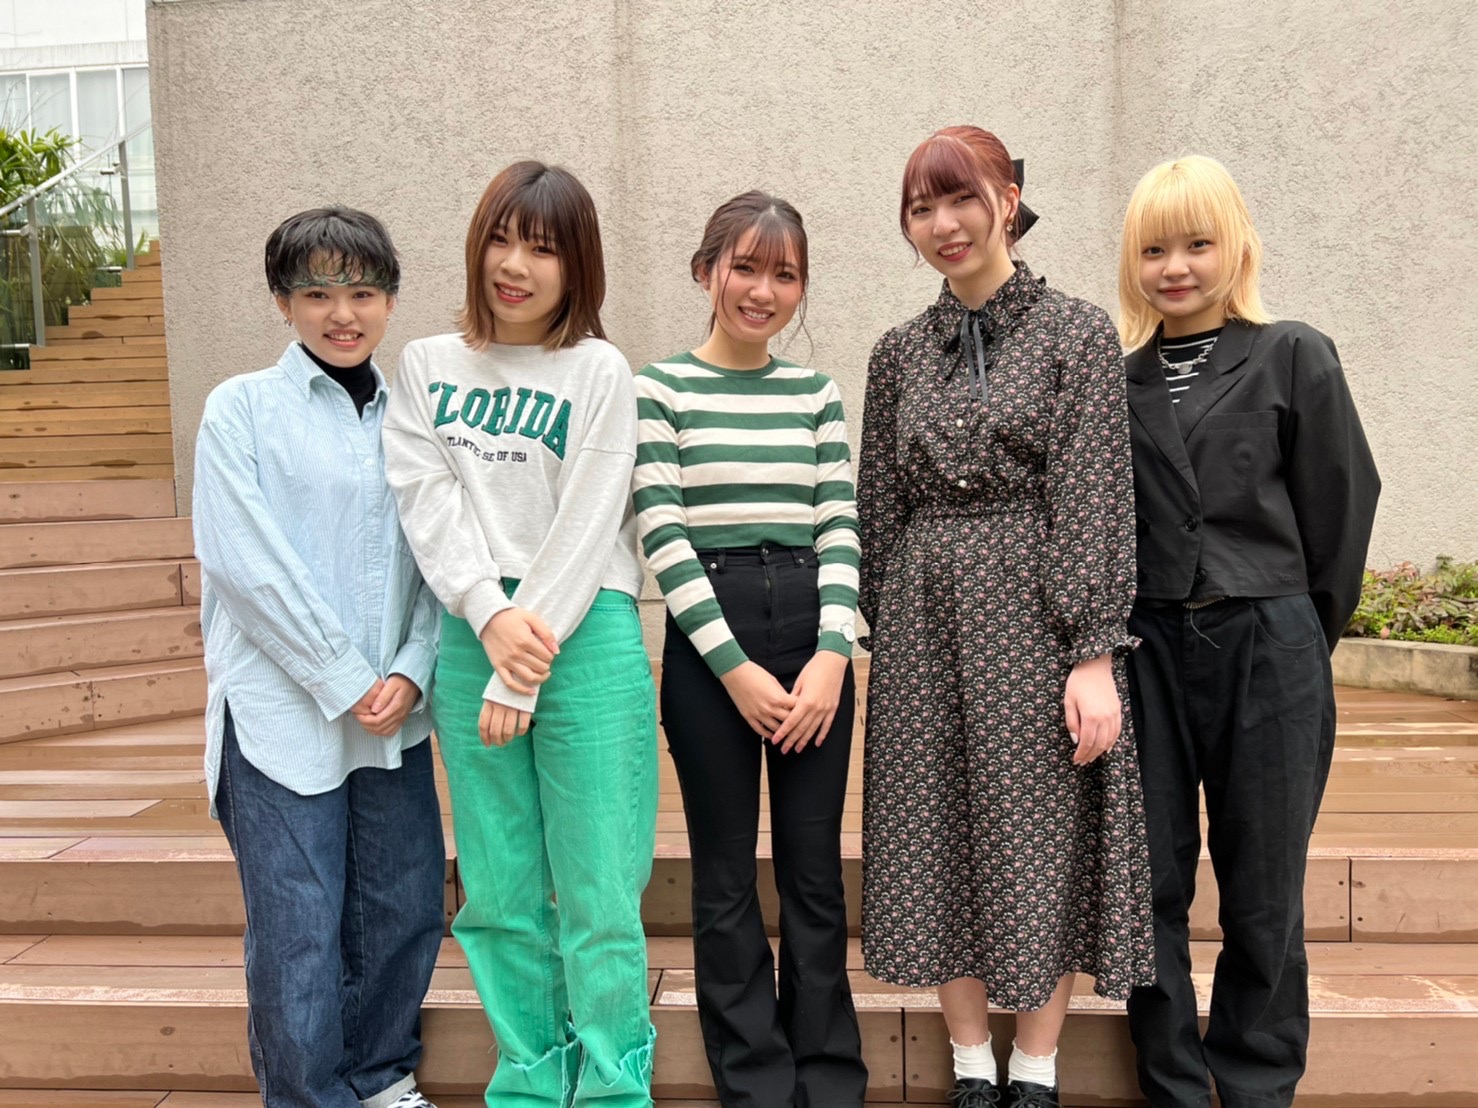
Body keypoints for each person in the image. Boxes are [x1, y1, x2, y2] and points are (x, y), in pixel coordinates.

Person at [856, 126, 1154, 1108]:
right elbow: (878, 505)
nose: (944, 225)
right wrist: (887, 628)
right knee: (934, 828)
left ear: (1008, 200)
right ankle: (969, 1063)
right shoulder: (898, 353)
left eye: (961, 199)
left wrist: (1092, 653)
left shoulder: (1074, 333)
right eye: (921, 208)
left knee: (1039, 834)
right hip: (921, 628)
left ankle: (1034, 1065)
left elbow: (1094, 493)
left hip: (1037, 620)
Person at [382, 160, 657, 1107]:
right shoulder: (427, 365)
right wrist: (487, 614)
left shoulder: (600, 370)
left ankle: (614, 1087)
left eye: (542, 248)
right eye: (500, 239)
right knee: (498, 892)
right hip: (473, 629)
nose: (515, 265)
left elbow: (590, 522)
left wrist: (519, 664)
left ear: (577, 265)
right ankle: (532, 1085)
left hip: (586, 633)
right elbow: (428, 501)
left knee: (599, 891)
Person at [1117, 155, 1379, 1108]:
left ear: (1236, 247)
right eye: (1154, 249)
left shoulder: (1293, 353)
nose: (1176, 267)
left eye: (1197, 243)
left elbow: (1340, 508)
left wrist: (1299, 631)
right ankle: (1174, 1086)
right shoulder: (1114, 380)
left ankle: (1258, 1084)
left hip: (1270, 645)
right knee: (1149, 884)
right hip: (1146, 651)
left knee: (1264, 889)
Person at [193, 207, 445, 1108]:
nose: (343, 314)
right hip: (281, 713)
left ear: (391, 300)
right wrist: (344, 678)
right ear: (282, 302)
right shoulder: (241, 410)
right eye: (317, 293)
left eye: (363, 292)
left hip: (394, 713)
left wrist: (413, 667)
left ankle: (380, 1077)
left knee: (403, 908)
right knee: (297, 929)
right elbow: (246, 566)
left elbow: (442, 556)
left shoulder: (414, 417)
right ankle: (308, 1097)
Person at [633, 191, 869, 1107]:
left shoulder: (816, 394)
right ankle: (757, 1084)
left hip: (813, 633)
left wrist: (833, 656)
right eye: (745, 267)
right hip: (709, 644)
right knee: (726, 873)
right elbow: (663, 535)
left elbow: (840, 524)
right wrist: (733, 671)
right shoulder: (659, 389)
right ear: (706, 271)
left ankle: (829, 1078)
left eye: (785, 274)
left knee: (814, 870)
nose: (762, 290)